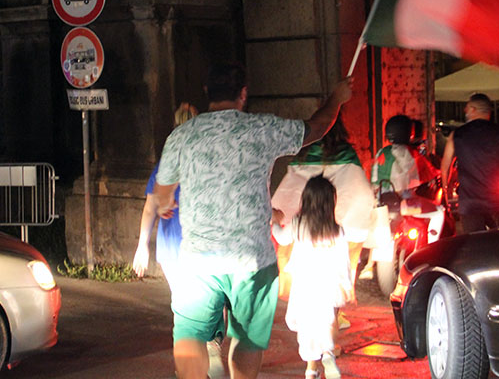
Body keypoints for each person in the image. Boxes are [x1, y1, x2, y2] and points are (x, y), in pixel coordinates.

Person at [154, 62, 352, 379]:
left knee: (190, 336)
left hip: (198, 261)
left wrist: (167, 204)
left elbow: (163, 195)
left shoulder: (181, 136)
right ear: (243, 94)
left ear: (207, 92)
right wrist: (337, 99)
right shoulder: (263, 128)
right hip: (251, 260)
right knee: (245, 339)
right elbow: (316, 128)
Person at [131, 103, 226, 378]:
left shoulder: (166, 165)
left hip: (172, 249)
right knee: (210, 302)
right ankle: (211, 344)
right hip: (205, 247)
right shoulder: (210, 163)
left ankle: (187, 366)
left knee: (184, 310)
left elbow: (150, 208)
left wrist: (142, 246)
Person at [272, 118, 373, 309]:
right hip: (337, 227)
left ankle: (285, 288)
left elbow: (290, 190)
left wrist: (276, 219)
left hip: (303, 269)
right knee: (352, 246)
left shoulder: (303, 153)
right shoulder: (347, 153)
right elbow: (358, 190)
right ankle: (346, 294)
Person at [272, 175, 352, 379]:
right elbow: (344, 260)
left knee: (308, 327)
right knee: (328, 322)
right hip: (329, 284)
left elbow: (281, 238)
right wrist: (347, 286)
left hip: (305, 284)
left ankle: (310, 370)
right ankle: (328, 354)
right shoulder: (336, 230)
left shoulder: (299, 224)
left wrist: (274, 223)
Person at [440, 93, 499, 233]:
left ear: (473, 109)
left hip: (470, 204)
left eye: (467, 108)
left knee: (474, 242)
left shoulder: (457, 135)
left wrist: (446, 194)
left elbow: (445, 167)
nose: (465, 111)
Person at [371, 115, 421, 204]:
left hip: (382, 196)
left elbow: (374, 177)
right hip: (402, 198)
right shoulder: (408, 152)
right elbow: (415, 178)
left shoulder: (382, 151)